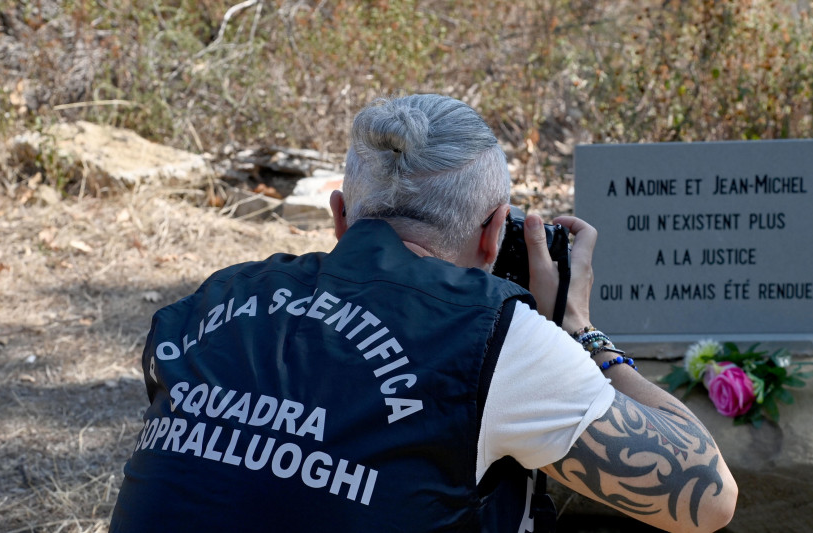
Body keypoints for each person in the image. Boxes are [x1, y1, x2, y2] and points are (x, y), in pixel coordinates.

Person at [109, 94, 737, 532]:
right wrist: (579, 331)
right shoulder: (490, 335)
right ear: (494, 233)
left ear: (339, 217)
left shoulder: (210, 303)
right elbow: (708, 498)